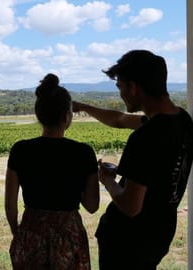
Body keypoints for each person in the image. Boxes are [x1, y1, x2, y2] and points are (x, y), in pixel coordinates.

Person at [73, 49, 193, 269]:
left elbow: (130, 206)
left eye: (120, 87)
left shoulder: (145, 137)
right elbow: (119, 119)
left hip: (127, 242)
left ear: (134, 87)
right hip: (158, 235)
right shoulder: (182, 121)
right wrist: (85, 107)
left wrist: (107, 180)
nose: (120, 94)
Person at [5, 73, 99, 270]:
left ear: (39, 115)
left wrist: (18, 233)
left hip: (31, 231)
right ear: (67, 116)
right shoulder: (83, 153)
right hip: (68, 235)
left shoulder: (20, 150)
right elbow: (91, 205)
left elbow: (10, 204)